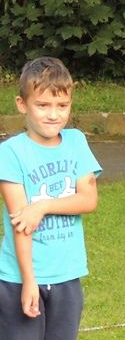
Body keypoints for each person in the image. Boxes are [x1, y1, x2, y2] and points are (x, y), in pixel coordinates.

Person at [0, 57, 101, 340]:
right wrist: (28, 281)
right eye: (42, 105)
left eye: (62, 106)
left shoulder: (76, 141)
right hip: (19, 279)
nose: (53, 115)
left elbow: (88, 199)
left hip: (67, 276)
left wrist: (42, 206)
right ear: (22, 105)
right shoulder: (10, 153)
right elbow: (22, 223)